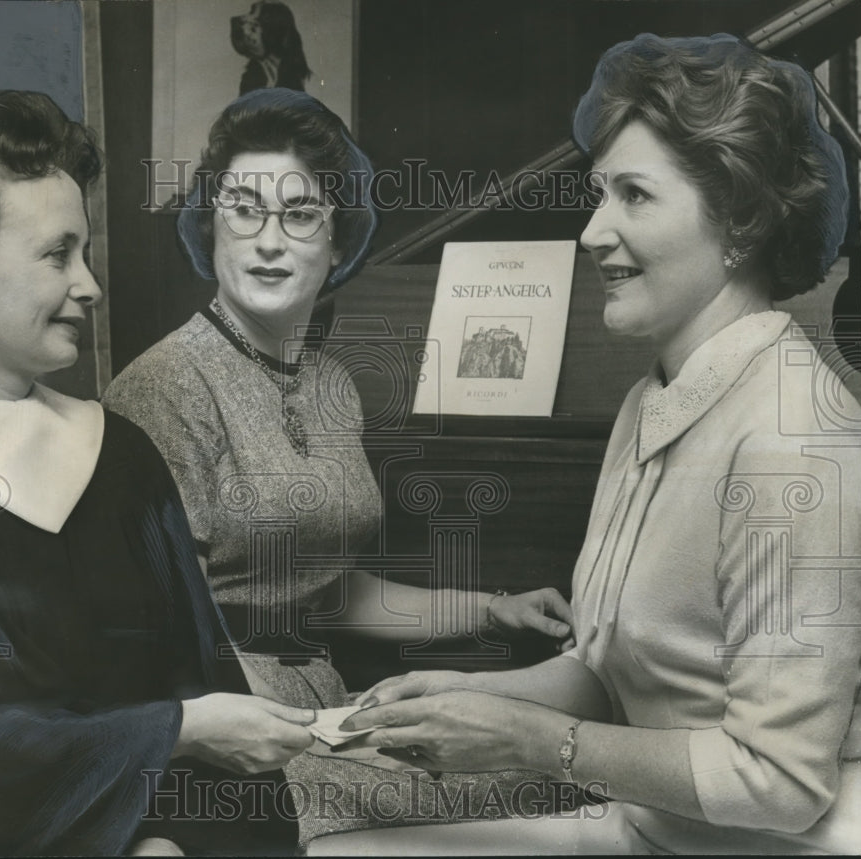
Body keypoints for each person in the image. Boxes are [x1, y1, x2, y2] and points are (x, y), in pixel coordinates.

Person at [325, 34, 861, 855]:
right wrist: (469, 694)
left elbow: (779, 783)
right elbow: (619, 677)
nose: (591, 230)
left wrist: (530, 740)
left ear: (744, 221)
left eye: (634, 197)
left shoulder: (795, 442)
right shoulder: (653, 399)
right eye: (597, 193)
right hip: (657, 826)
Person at [101, 86, 575, 843]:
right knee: (540, 781)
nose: (267, 241)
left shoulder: (330, 383)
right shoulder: (163, 386)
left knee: (542, 754)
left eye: (299, 214)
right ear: (209, 225)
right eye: (244, 208)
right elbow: (155, 637)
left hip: (322, 707)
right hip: (229, 738)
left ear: (337, 238)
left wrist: (491, 607)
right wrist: (308, 729)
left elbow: (327, 592)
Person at [0, 90, 317, 857]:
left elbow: (217, 707)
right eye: (56, 254)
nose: (91, 286)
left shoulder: (125, 454)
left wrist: (168, 842)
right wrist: (175, 735)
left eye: (88, 254)